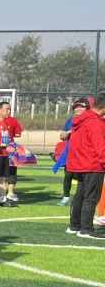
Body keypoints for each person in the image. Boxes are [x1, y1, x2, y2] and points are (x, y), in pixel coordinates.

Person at [65, 91, 105, 239]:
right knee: (91, 197)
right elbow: (100, 147)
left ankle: (74, 225)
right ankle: (86, 229)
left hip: (79, 164)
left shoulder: (81, 120)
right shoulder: (95, 122)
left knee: (80, 195)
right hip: (92, 165)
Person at [55, 98, 88, 206]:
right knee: (68, 175)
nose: (78, 109)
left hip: (85, 153)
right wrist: (70, 131)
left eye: (81, 107)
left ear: (87, 108)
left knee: (83, 177)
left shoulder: (91, 120)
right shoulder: (71, 121)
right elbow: (62, 136)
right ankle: (66, 197)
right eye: (76, 107)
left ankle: (81, 199)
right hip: (71, 153)